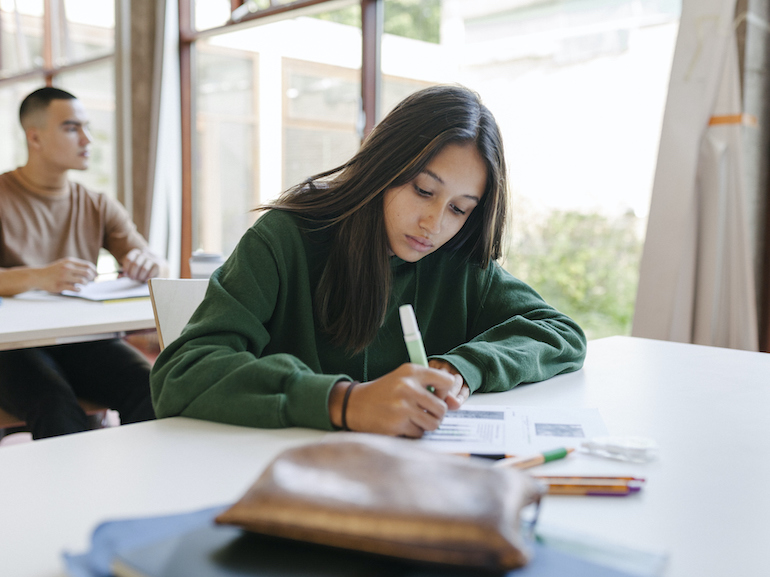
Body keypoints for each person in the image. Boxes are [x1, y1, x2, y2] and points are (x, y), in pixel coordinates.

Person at [151, 85, 586, 438]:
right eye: (423, 190)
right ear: (384, 167)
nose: (434, 224)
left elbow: (561, 333)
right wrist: (345, 402)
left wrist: (462, 367)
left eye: (459, 208)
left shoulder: (460, 263)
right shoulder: (286, 238)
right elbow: (181, 374)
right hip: (280, 479)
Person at [0, 87, 167, 439]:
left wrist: (147, 262)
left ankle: (152, 489)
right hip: (10, 348)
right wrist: (40, 276)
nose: (87, 139)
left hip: (81, 340)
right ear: (35, 137)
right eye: (72, 128)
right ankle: (72, 495)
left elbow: (154, 263)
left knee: (156, 387)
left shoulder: (96, 203)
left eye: (86, 127)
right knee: (53, 403)